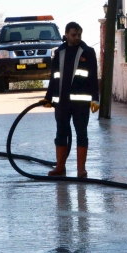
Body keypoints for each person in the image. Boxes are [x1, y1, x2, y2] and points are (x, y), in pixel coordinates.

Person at [40, 22, 100, 178]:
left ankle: (81, 169)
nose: (77, 37)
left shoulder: (88, 52)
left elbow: (93, 78)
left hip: (81, 103)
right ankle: (60, 167)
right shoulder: (59, 53)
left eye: (79, 34)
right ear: (66, 35)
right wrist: (48, 98)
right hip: (62, 103)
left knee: (82, 133)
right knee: (61, 133)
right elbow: (54, 77)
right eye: (74, 34)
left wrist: (96, 99)